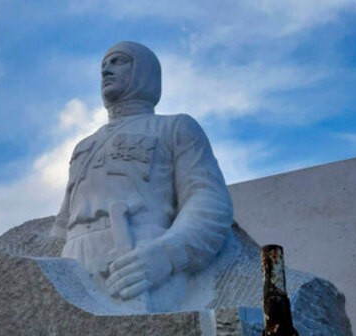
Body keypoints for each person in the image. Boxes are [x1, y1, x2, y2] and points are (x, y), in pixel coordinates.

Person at [50, 41, 233, 312]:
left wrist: (168, 254)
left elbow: (208, 200)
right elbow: (60, 227)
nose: (106, 71)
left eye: (118, 61)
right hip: (74, 262)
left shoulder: (174, 127)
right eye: (103, 65)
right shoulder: (84, 146)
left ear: (145, 71)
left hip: (139, 258)